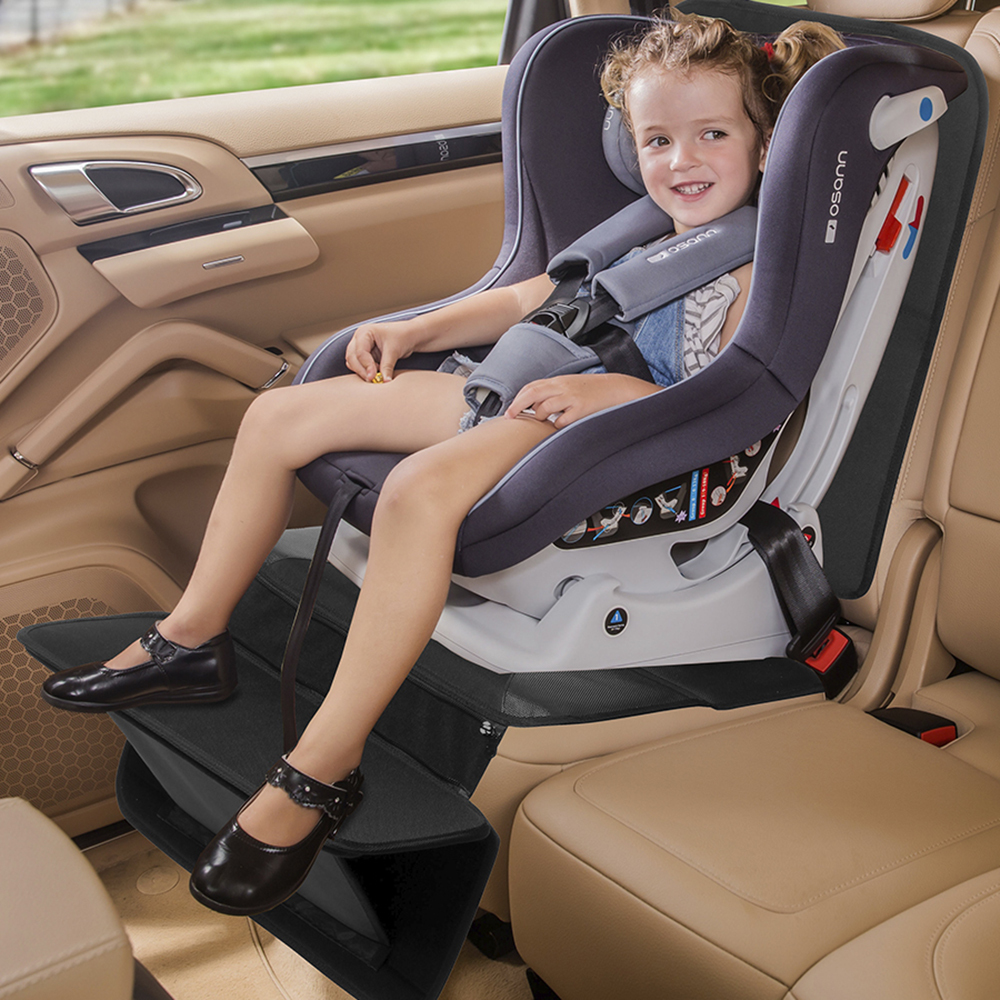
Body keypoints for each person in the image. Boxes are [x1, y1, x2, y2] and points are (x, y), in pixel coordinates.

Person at [39, 11, 845, 915]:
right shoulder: (645, 227)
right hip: (516, 388)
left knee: (418, 492)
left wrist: (614, 395)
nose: (681, 161)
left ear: (766, 144)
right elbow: (535, 297)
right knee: (278, 416)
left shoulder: (751, 266)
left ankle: (321, 766)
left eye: (712, 136)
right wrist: (415, 328)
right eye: (657, 140)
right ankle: (190, 641)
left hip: (601, 430)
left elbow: (726, 395)